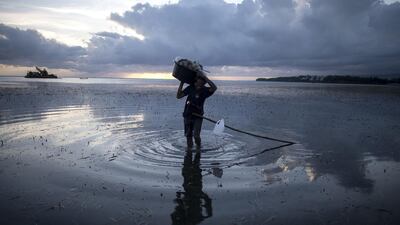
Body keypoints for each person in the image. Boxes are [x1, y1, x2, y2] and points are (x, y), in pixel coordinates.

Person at [176, 71, 217, 148]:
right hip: (187, 115)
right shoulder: (190, 88)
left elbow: (214, 88)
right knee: (188, 136)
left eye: (204, 80)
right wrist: (181, 83)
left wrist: (205, 77)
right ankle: (189, 152)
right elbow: (178, 96)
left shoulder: (205, 90)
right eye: (201, 79)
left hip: (198, 116)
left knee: (196, 136)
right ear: (196, 79)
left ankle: (198, 149)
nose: (204, 82)